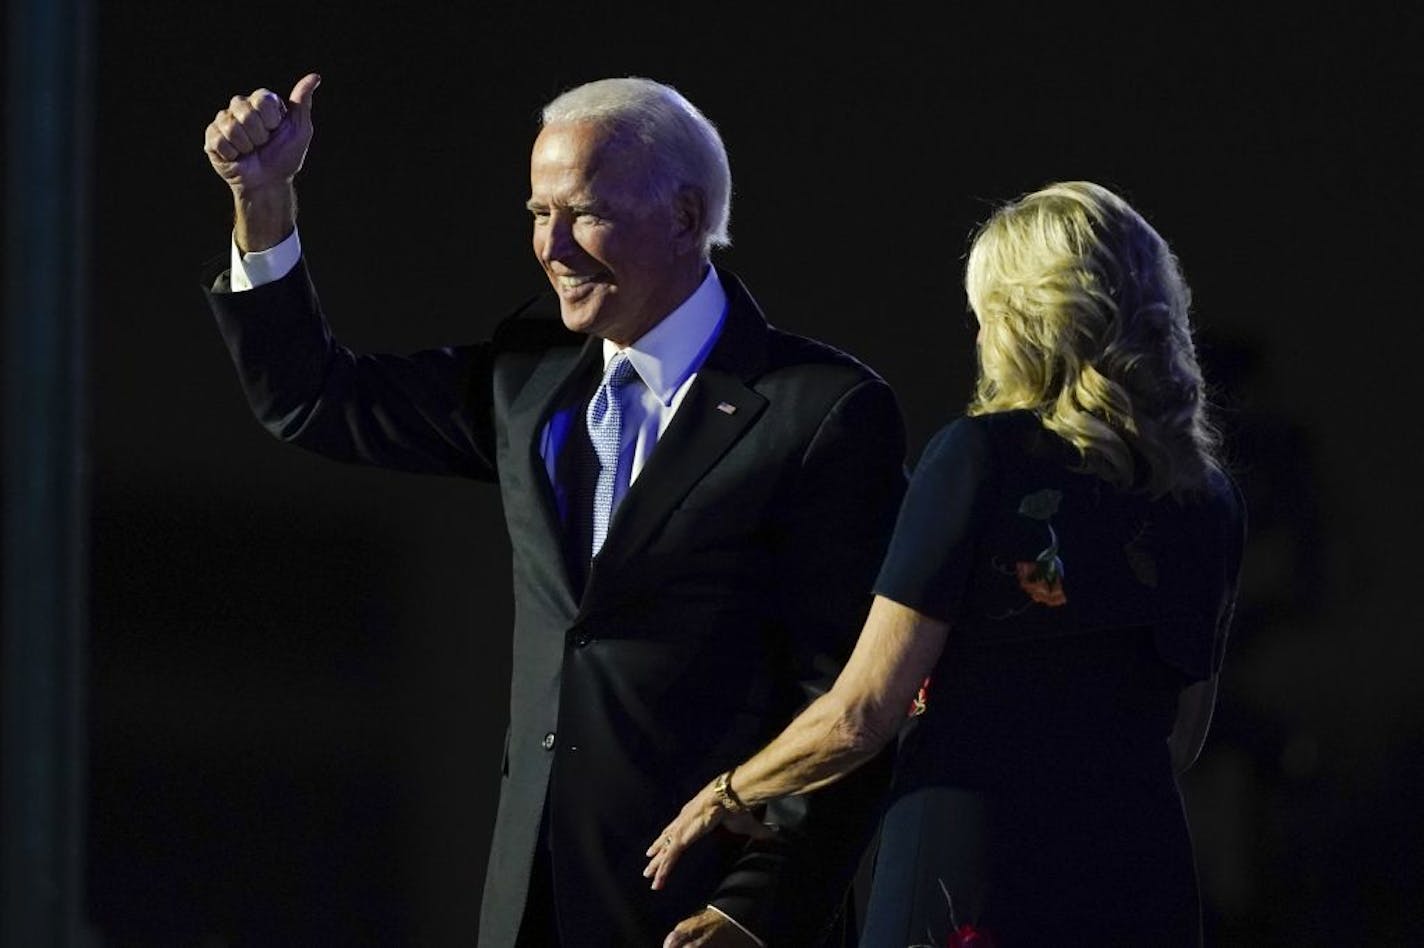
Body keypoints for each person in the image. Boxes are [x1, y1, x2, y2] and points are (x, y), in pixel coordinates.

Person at [200, 74, 906, 946]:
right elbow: (313, 400)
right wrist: (261, 202)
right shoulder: (528, 372)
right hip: (530, 905)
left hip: (703, 906)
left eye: (584, 213)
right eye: (538, 214)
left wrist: (752, 910)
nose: (554, 247)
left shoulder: (818, 411)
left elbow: (855, 698)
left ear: (686, 219)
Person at [645, 182, 1246, 946]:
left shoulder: (979, 458)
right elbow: (1182, 739)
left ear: (1023, 319)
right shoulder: (1209, 500)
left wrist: (727, 793)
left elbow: (862, 714)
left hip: (974, 869)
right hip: (1138, 879)